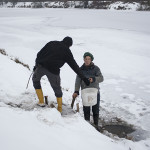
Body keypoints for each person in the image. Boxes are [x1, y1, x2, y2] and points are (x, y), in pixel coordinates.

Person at [32, 37, 90, 112]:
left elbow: (39, 54)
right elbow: (74, 66)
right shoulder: (67, 51)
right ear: (69, 45)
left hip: (41, 67)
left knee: (35, 80)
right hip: (53, 71)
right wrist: (84, 78)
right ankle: (59, 108)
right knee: (57, 89)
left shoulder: (51, 43)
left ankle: (41, 102)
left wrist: (36, 65)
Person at [72, 52, 104, 127]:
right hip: (85, 92)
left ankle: (96, 125)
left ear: (91, 60)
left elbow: (101, 78)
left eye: (89, 59)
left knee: (95, 109)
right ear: (83, 59)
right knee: (86, 109)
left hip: (95, 92)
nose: (87, 60)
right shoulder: (80, 70)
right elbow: (77, 81)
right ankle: (87, 126)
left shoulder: (96, 69)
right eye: (86, 59)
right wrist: (76, 91)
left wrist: (94, 79)